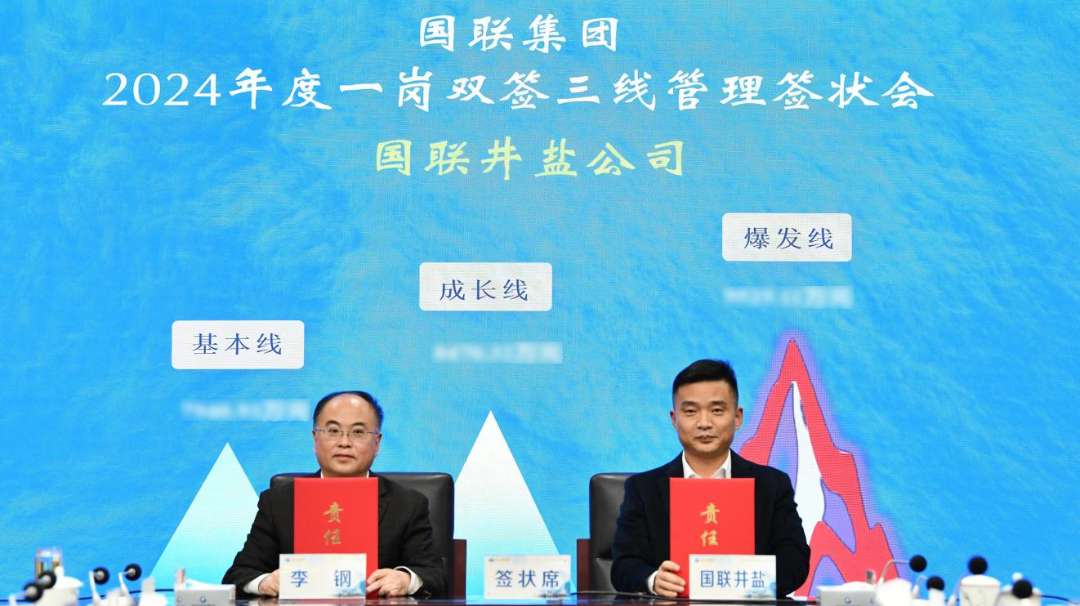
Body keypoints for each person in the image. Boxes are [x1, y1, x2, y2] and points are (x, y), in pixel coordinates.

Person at [611, 360, 810, 597]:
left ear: (737, 417)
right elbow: (623, 566)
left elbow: (795, 562)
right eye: (690, 411)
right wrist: (654, 580)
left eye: (717, 410)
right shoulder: (643, 489)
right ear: (674, 419)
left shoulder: (772, 485)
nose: (704, 423)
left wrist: (747, 581)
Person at [222, 391, 447, 598]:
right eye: (332, 431)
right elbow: (239, 574)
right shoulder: (279, 502)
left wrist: (406, 580)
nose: (344, 443)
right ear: (315, 439)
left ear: (377, 444)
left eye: (358, 432)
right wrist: (264, 582)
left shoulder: (407, 504)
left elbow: (435, 575)